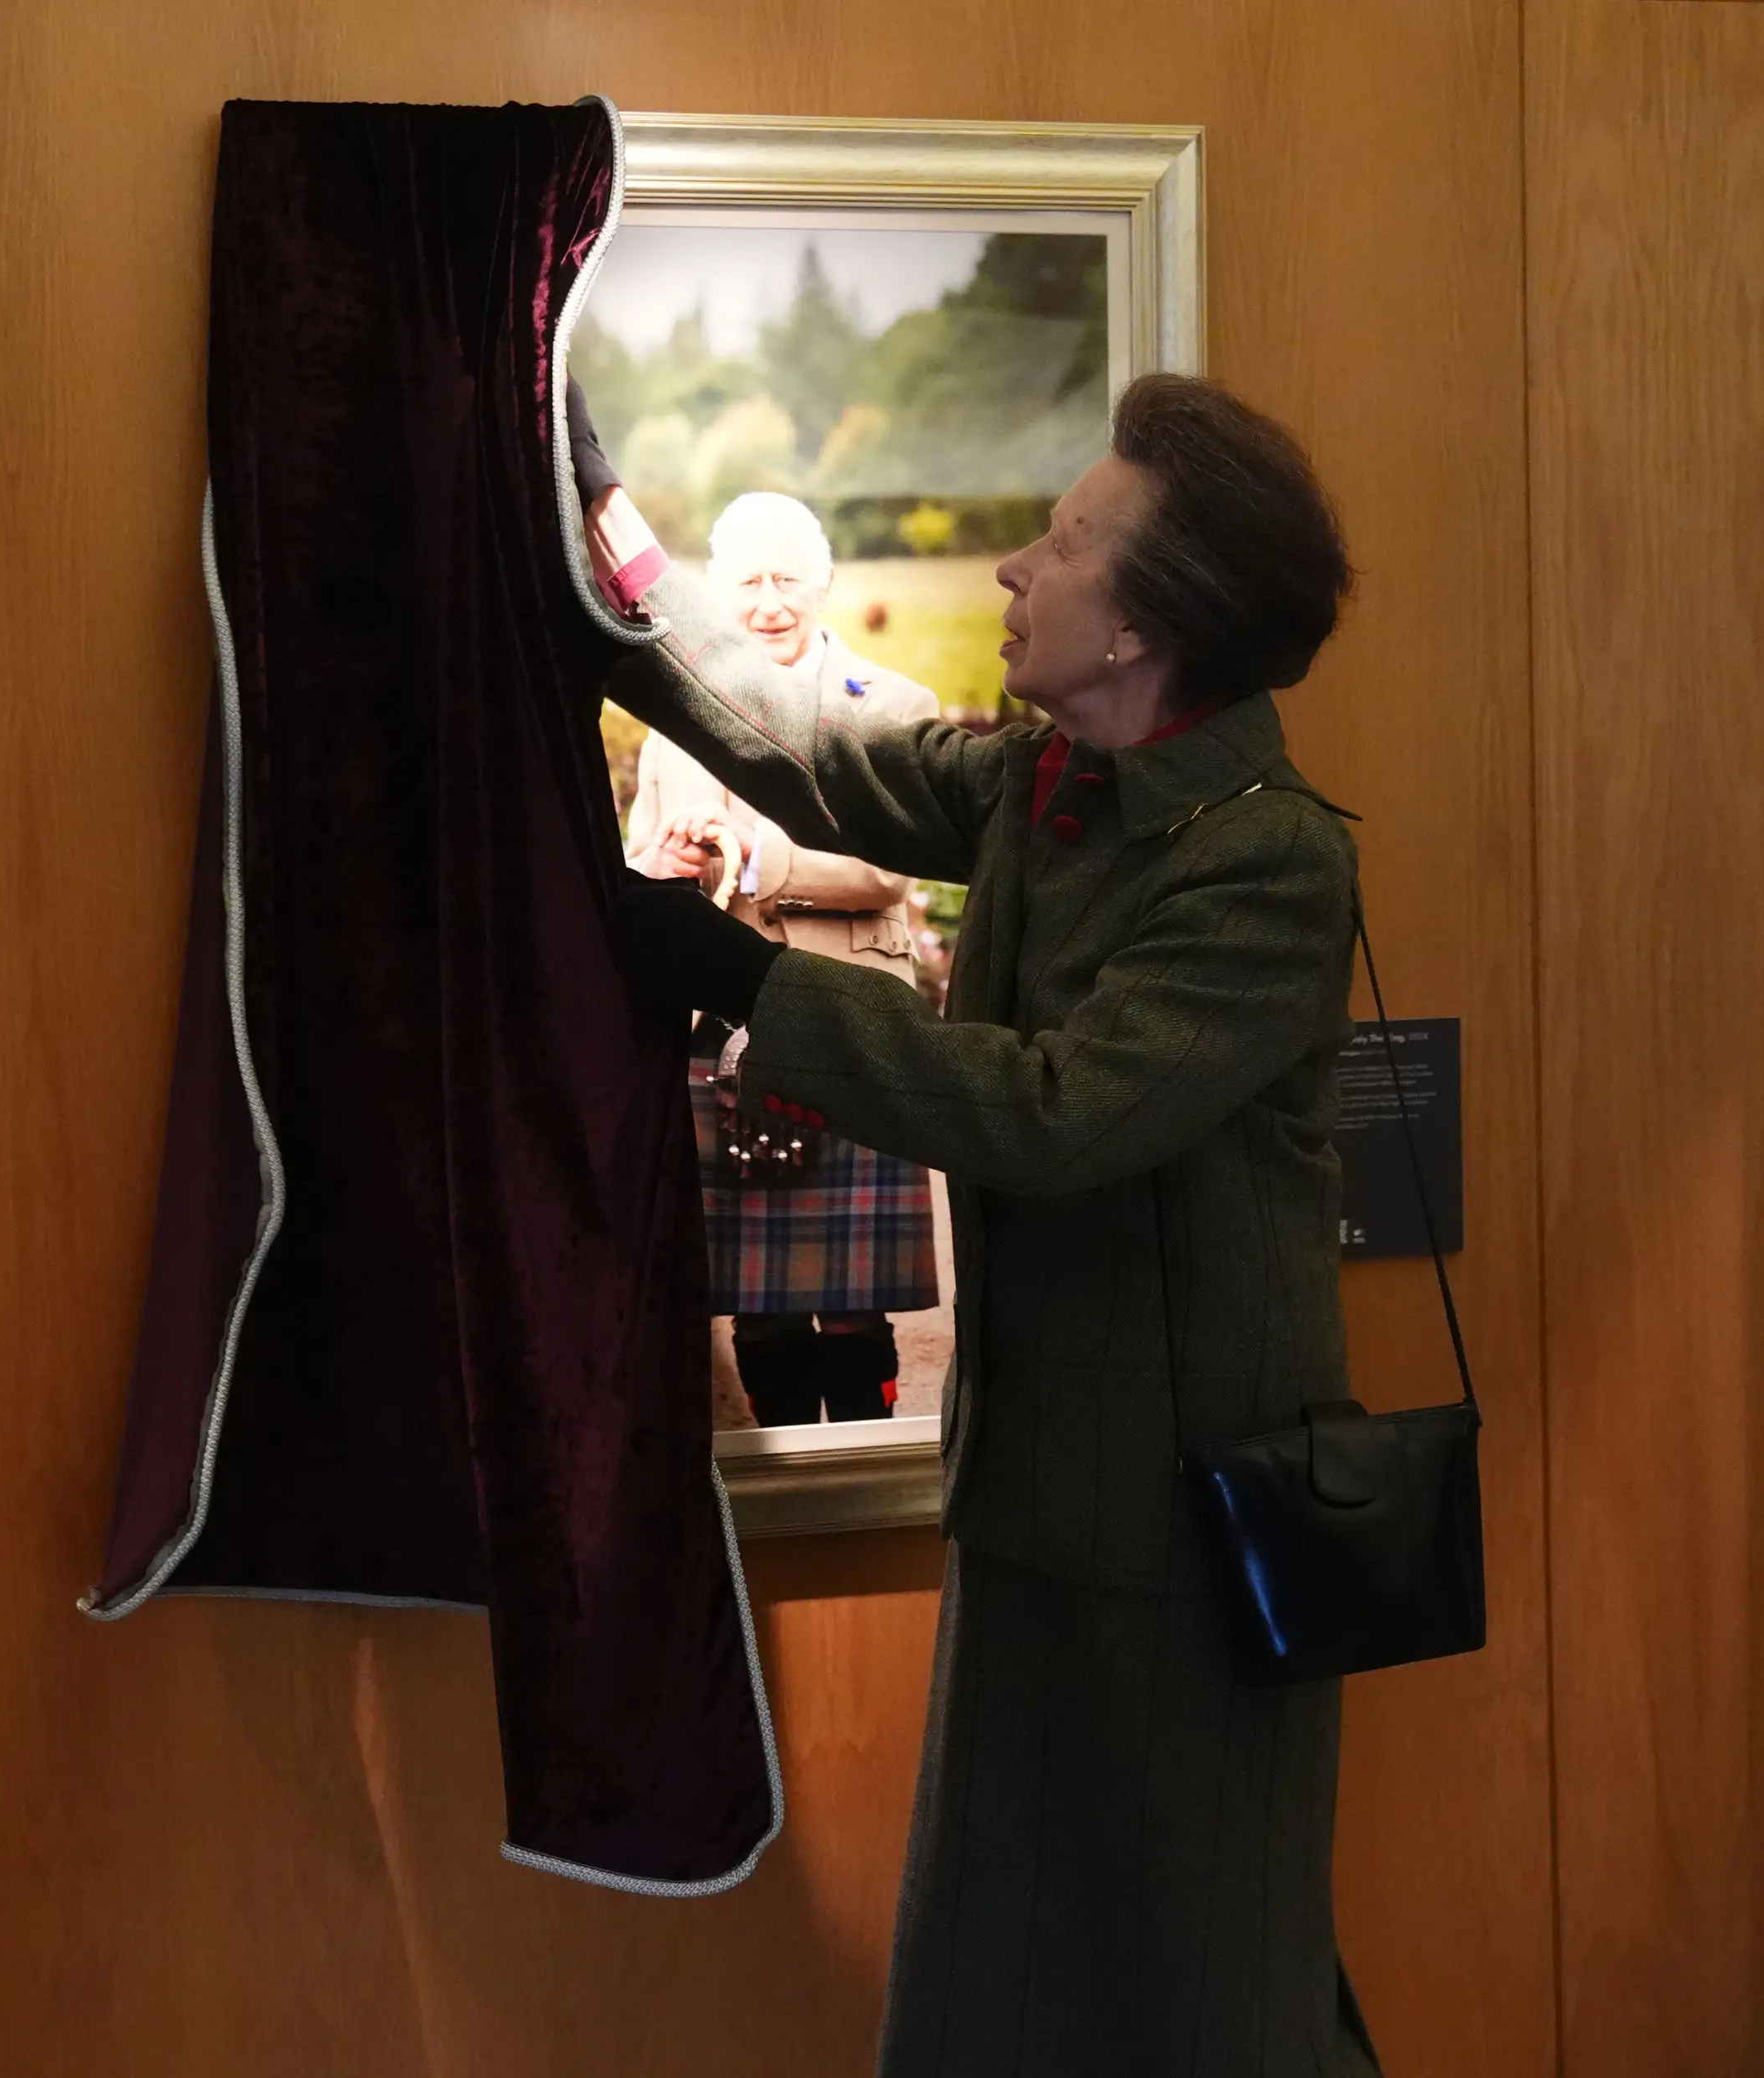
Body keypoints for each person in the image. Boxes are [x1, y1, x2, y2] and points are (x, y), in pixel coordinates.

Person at [579, 374, 1381, 2076]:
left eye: (1065, 542)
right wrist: (618, 561)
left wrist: (744, 982)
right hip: (1050, 1503)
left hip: (1189, 1543)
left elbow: (1056, 1112)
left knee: (1194, 1985)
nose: (1016, 570)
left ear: (1148, 625)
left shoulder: (1268, 865)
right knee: (1009, 1982)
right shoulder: (1050, 779)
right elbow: (803, 737)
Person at [618, 489, 942, 1425]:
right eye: (748, 582)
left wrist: (757, 856)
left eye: (786, 579)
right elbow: (640, 871)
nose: (768, 601)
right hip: (723, 1037)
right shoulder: (677, 720)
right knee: (753, 1308)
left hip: (848, 1020)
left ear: (824, 584)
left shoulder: (890, 706)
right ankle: (789, 1466)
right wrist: (663, 859)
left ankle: (864, 1454)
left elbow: (889, 869)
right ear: (717, 594)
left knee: (848, 1303)